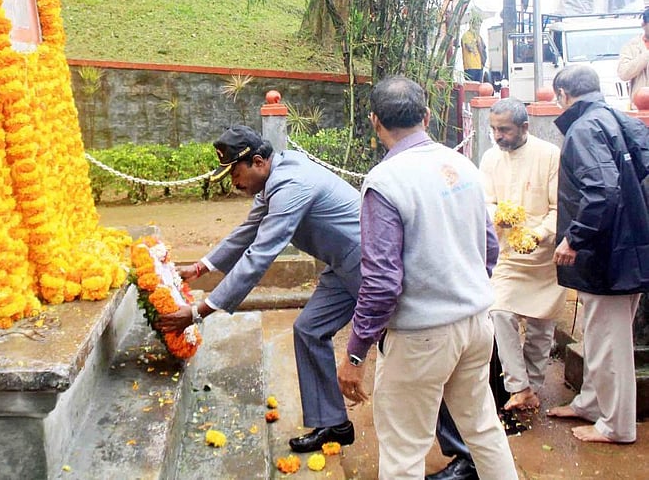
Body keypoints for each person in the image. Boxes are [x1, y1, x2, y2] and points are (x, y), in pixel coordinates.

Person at [337, 77, 517, 480]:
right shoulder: (462, 165)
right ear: (427, 116)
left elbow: (382, 281)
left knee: (404, 449)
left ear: (375, 122)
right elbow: (490, 248)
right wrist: (463, 290)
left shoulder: (385, 182)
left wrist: (355, 352)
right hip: (474, 325)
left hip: (421, 336)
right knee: (483, 428)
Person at [156, 124, 362, 453]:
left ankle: (460, 449)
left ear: (257, 162)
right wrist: (199, 267)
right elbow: (247, 231)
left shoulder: (290, 184)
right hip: (341, 265)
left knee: (409, 349)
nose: (234, 183)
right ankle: (334, 424)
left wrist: (198, 311)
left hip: (370, 266)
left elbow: (260, 254)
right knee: (309, 330)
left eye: (235, 173)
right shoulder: (273, 180)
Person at [547, 64, 649, 444]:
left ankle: (617, 426)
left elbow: (602, 191)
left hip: (606, 254)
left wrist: (575, 239)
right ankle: (591, 403)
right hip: (628, 246)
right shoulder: (618, 119)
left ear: (563, 95)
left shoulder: (585, 128)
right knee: (599, 335)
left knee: (610, 342)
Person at [481, 98, 566, 412]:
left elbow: (560, 209)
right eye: (494, 129)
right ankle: (518, 385)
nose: (498, 135)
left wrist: (538, 234)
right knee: (499, 312)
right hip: (508, 255)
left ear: (524, 127)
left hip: (544, 256)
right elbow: (485, 202)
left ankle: (530, 388)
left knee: (541, 328)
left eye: (504, 129)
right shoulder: (491, 158)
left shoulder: (550, 155)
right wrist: (497, 215)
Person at [617, 7, 649, 107]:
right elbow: (624, 74)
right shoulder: (631, 46)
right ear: (643, 24)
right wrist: (646, 55)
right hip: (639, 108)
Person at [461, 18, 488, 83]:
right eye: (477, 25)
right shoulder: (466, 35)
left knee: (479, 88)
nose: (478, 27)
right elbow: (470, 48)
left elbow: (483, 48)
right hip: (470, 66)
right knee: (471, 87)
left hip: (479, 65)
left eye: (479, 25)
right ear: (471, 25)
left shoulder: (479, 36)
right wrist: (475, 40)